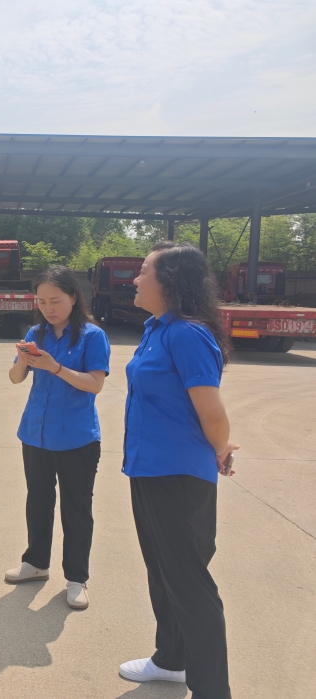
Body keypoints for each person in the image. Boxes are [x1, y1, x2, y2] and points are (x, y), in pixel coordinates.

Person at [119, 242, 237, 698]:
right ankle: (171, 660)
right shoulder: (156, 329)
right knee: (163, 571)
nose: (135, 278)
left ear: (168, 281)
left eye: (143, 270)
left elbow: (212, 414)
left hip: (178, 477)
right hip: (149, 469)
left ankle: (213, 690)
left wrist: (220, 449)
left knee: (189, 583)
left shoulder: (187, 334)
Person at [5, 265, 110, 611]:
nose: (48, 308)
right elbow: (15, 379)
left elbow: (95, 384)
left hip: (76, 437)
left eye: (55, 300)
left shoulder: (92, 336)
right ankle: (36, 562)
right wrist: (23, 361)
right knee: (38, 500)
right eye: (42, 301)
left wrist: (55, 367)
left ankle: (77, 578)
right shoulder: (36, 333)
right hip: (35, 432)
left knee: (76, 509)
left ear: (73, 298)